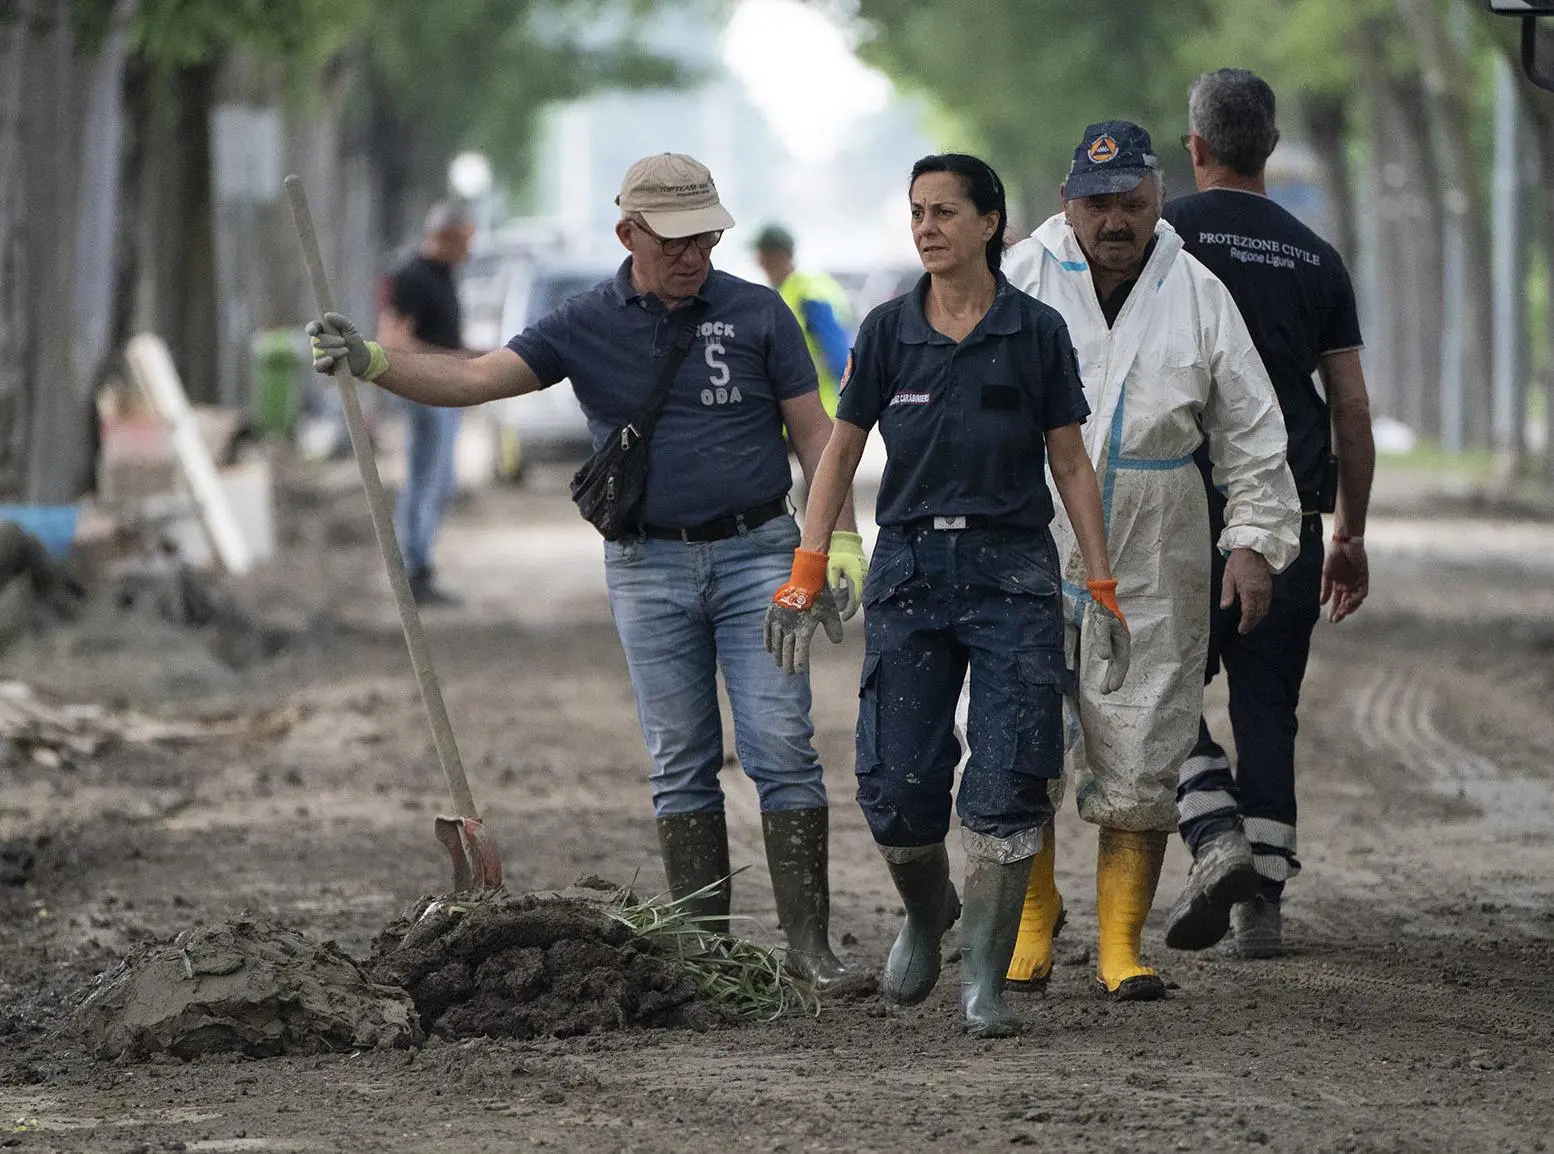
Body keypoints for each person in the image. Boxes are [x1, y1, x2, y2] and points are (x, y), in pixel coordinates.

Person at [307, 152, 869, 993]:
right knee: (680, 756)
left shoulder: (759, 314)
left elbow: (817, 437)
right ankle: (702, 958)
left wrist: (838, 544)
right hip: (647, 565)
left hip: (761, 556)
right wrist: (376, 363)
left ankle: (811, 952)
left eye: (707, 236)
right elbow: (472, 378)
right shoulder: (581, 323)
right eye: (675, 240)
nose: (694, 254)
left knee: (782, 747)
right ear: (628, 234)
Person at [765, 153, 1127, 1037]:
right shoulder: (888, 330)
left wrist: (1103, 584)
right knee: (895, 782)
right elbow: (839, 453)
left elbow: (1071, 463)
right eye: (917, 212)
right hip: (913, 572)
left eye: (945, 213)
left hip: (1012, 573)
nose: (926, 228)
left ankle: (983, 984)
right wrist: (808, 569)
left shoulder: (1035, 333)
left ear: (991, 223)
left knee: (1009, 777)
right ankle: (929, 915)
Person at [998, 121, 1302, 1000]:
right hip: (1030, 532)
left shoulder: (1198, 291)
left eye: (1131, 202)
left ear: (1159, 198)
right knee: (1020, 738)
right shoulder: (1018, 279)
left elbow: (1251, 433)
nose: (1114, 220)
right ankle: (1032, 923)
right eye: (1097, 204)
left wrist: (1252, 544)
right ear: (1067, 205)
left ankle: (1120, 944)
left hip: (1158, 537)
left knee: (1145, 735)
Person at [1161, 70, 1374, 958]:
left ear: (1195, 148)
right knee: (1268, 704)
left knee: (1156, 690)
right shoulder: (1317, 257)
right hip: (1285, 514)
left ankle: (1215, 832)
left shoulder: (1159, 239)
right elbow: (1351, 409)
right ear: (1272, 149)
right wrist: (1350, 532)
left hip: (1173, 510)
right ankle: (1263, 905)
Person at [752, 225, 866, 605]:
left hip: (821, 409)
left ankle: (828, 568)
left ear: (774, 255)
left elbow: (837, 354)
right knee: (807, 490)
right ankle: (816, 565)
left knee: (823, 490)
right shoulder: (792, 292)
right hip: (800, 411)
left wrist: (852, 404)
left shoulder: (805, 295)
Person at [376, 201, 477, 606]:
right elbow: (393, 340)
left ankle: (418, 561)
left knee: (442, 480)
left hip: (445, 388)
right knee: (425, 479)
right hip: (424, 390)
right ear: (446, 237)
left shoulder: (445, 275)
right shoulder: (412, 276)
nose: (469, 250)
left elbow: (443, 336)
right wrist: (451, 360)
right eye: (465, 241)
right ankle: (412, 569)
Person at [752, 225, 854, 418]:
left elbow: (840, 359)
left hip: (821, 416)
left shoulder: (808, 294)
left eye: (763, 253)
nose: (759, 261)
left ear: (777, 255)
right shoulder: (783, 292)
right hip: (800, 416)